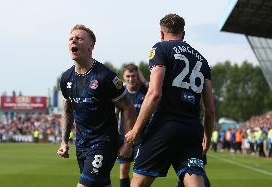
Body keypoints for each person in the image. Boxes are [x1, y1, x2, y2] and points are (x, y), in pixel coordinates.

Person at [125, 13, 215, 187]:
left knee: (138, 183)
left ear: (161, 33)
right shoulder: (202, 61)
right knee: (195, 182)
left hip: (165, 126)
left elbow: (154, 93)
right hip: (191, 129)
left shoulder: (160, 49)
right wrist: (207, 138)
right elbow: (210, 109)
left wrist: (136, 130)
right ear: (183, 33)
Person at [57, 24, 136, 187]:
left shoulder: (105, 76)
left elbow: (128, 107)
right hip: (81, 144)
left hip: (103, 142)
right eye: (71, 38)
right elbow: (67, 110)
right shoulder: (66, 78)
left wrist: (128, 144)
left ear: (91, 46)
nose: (74, 41)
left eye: (79, 38)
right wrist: (64, 141)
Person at [116, 64, 148, 187]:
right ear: (123, 77)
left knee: (139, 173)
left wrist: (143, 80)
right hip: (125, 138)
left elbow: (155, 90)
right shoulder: (121, 93)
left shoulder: (145, 91)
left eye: (133, 75)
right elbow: (115, 114)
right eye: (128, 76)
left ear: (137, 75)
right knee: (123, 171)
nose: (131, 79)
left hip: (143, 138)